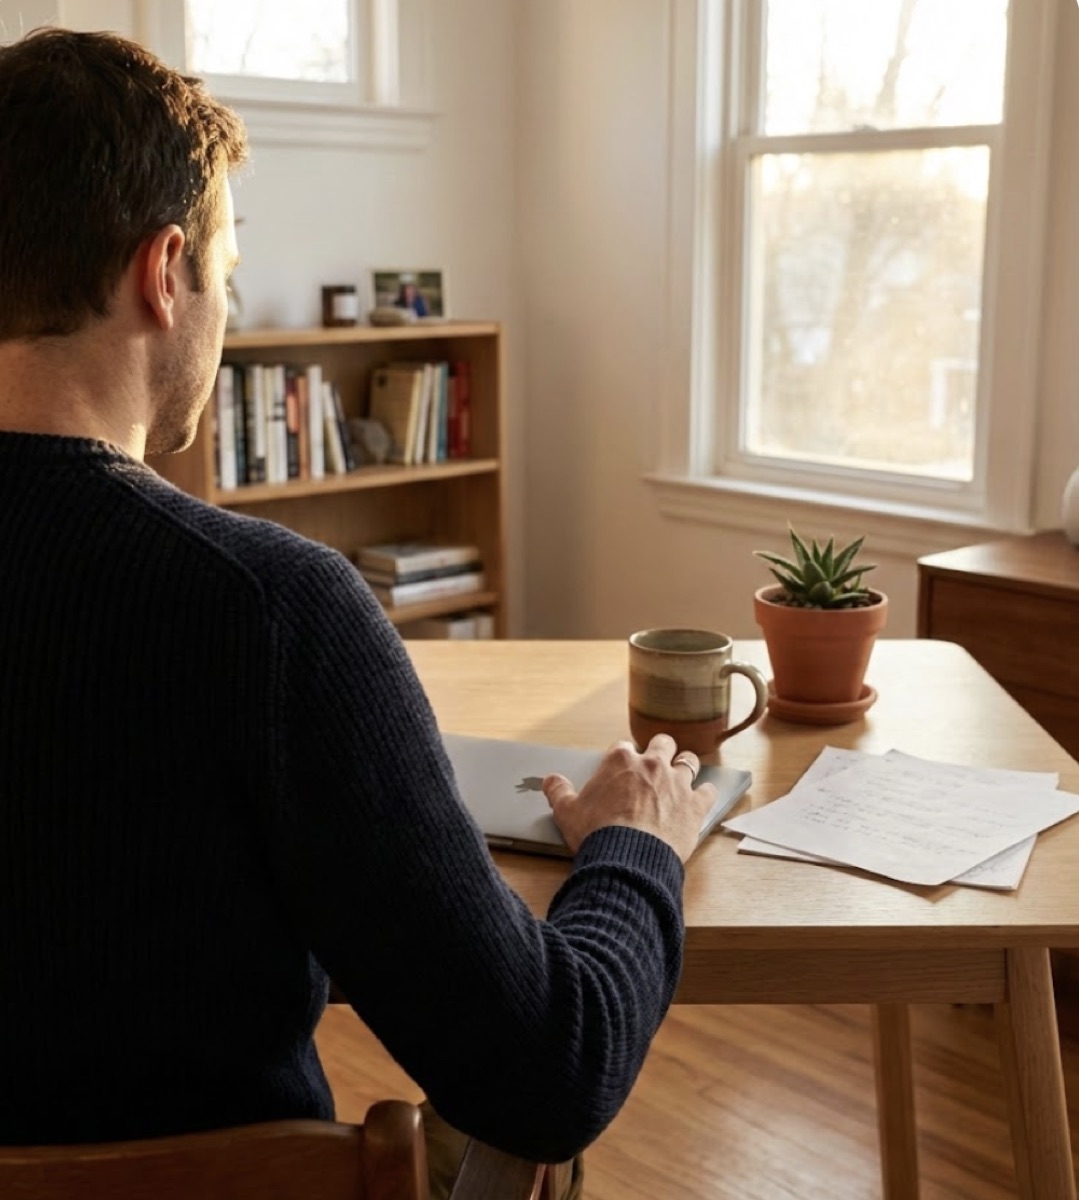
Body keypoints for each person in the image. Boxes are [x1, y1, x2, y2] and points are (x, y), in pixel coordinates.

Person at [0, 26, 717, 1199]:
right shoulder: (271, 612)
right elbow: (547, 1071)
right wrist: (636, 846)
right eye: (225, 277)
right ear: (163, 271)